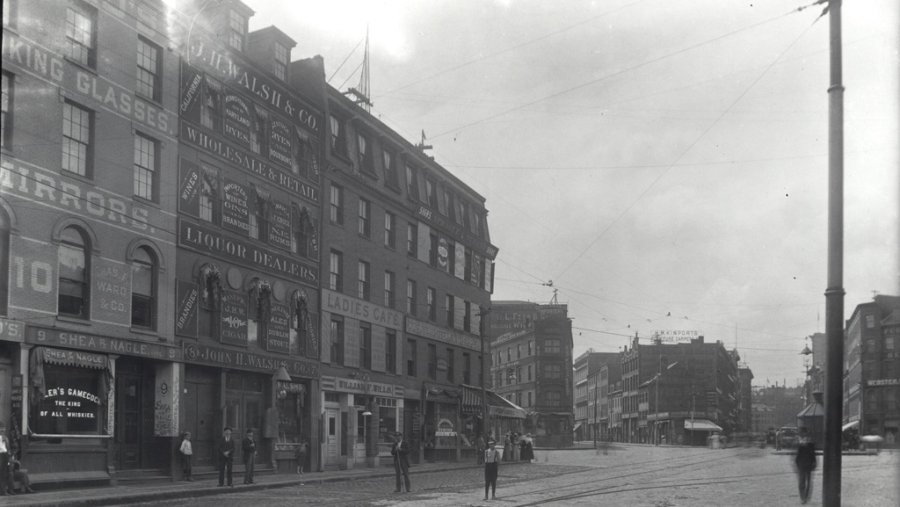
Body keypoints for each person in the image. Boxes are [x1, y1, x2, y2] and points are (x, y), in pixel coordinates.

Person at [794, 427, 817, 504]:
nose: (804, 435)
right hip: (802, 464)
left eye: (804, 433)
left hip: (807, 464)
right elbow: (797, 456)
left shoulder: (810, 443)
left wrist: (814, 463)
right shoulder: (799, 443)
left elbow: (813, 455)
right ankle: (803, 498)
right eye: (802, 433)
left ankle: (805, 498)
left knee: (806, 482)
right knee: (802, 482)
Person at [0, 425, 10, 496]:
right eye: (1, 430)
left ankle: (4, 491)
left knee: (4, 474)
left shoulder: (5, 438)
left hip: (5, 455)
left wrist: (6, 441)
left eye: (4, 430)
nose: (2, 432)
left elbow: (8, 448)